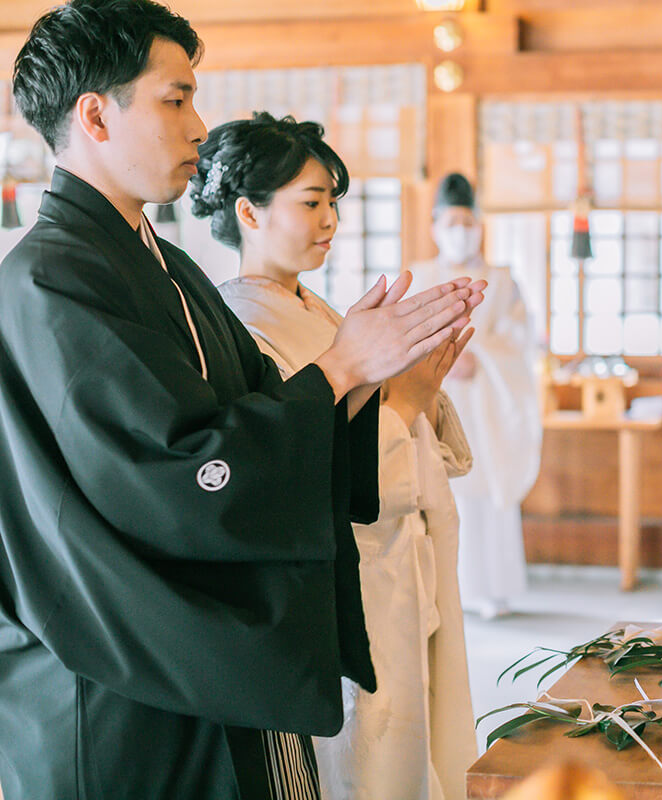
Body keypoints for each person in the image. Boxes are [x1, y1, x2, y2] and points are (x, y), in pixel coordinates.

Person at [0, 2, 482, 798]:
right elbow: (172, 474)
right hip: (117, 683)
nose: (199, 125)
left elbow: (264, 408)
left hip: (195, 660)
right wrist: (338, 371)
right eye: (176, 98)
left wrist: (367, 385)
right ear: (95, 114)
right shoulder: (52, 280)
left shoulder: (172, 271)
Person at [196, 112, 478, 800]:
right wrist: (403, 406)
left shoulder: (318, 310)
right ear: (248, 212)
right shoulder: (240, 326)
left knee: (415, 736)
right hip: (345, 577)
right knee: (371, 750)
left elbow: (378, 410)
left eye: (334, 204)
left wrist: (420, 391)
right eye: (311, 202)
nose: (329, 220)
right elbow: (287, 460)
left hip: (397, 560)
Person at [410, 174, 542, 619]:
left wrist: (479, 357)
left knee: (487, 488)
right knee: (441, 487)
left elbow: (519, 336)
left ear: (480, 225)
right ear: (434, 226)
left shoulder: (502, 280)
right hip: (434, 394)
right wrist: (442, 358)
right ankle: (445, 587)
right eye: (450, 222)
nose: (459, 230)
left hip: (487, 402)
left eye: (467, 222)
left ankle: (493, 590)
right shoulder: (420, 276)